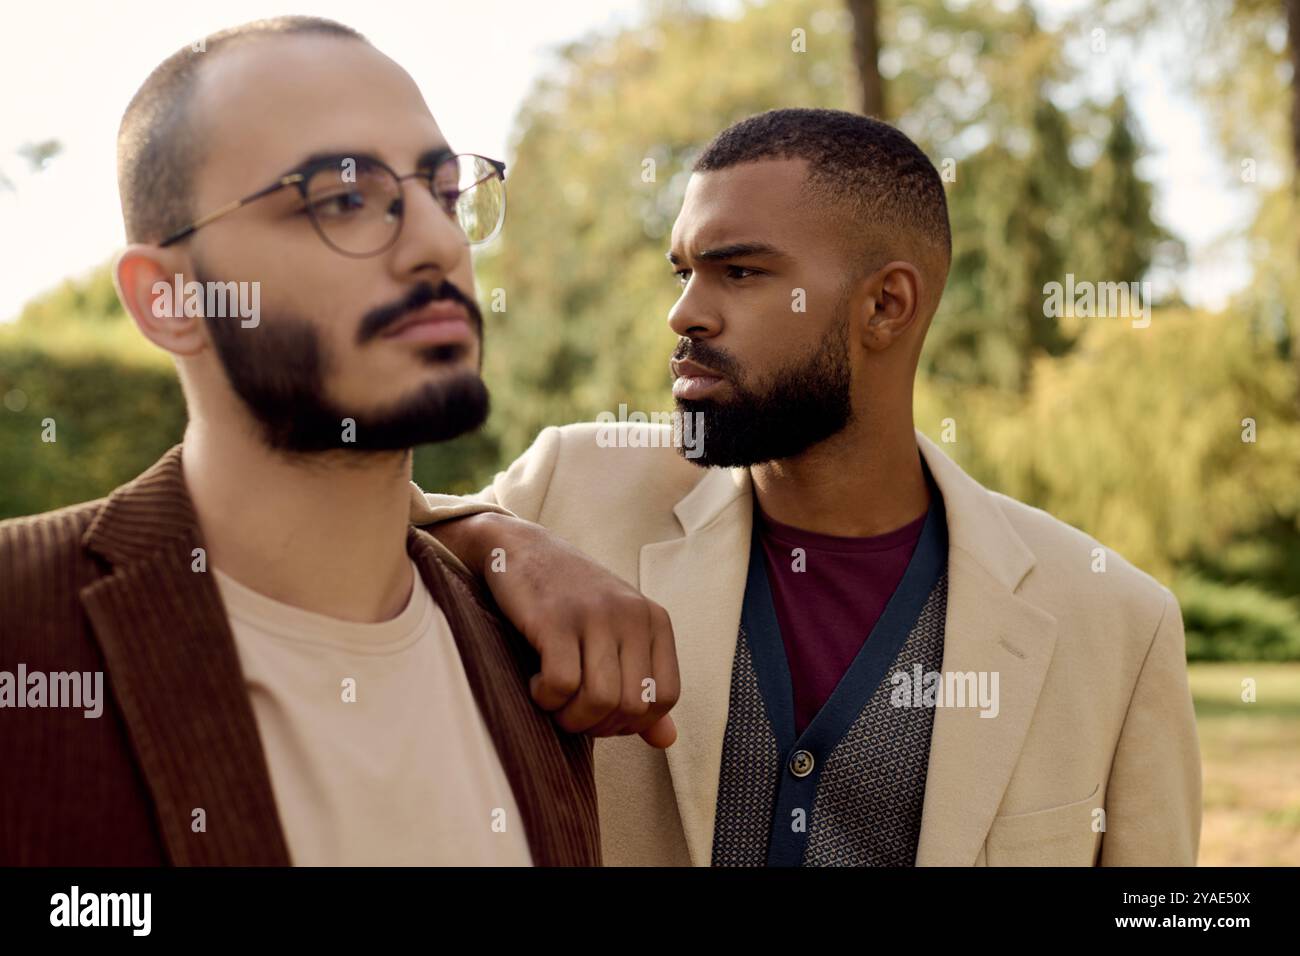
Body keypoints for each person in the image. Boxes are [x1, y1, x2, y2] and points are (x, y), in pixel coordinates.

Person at [417, 109, 1203, 866]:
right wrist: (498, 539)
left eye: (739, 272)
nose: (684, 315)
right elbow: (367, 533)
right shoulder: (569, 491)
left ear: (885, 306)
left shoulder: (1117, 626)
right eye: (685, 273)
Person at [0, 16, 680, 867]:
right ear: (168, 298)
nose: (438, 242)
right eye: (343, 199)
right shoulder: (23, 629)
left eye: (444, 193)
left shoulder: (533, 664)